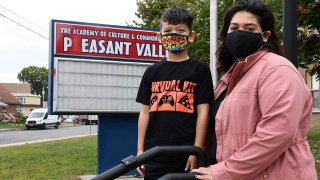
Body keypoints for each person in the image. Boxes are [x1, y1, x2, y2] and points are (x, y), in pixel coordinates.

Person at [192, 0, 318, 179]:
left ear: (265, 35)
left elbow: (277, 133)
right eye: (233, 28)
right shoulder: (231, 76)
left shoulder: (277, 69)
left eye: (249, 28)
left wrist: (225, 171)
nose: (239, 33)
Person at [135, 7, 214, 180]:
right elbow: (144, 112)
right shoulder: (151, 72)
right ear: (160, 37)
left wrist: (196, 150)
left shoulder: (200, 70)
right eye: (168, 31)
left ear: (191, 36)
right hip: (153, 154)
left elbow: (203, 113)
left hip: (186, 155)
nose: (173, 34)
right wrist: (140, 151)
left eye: (180, 30)